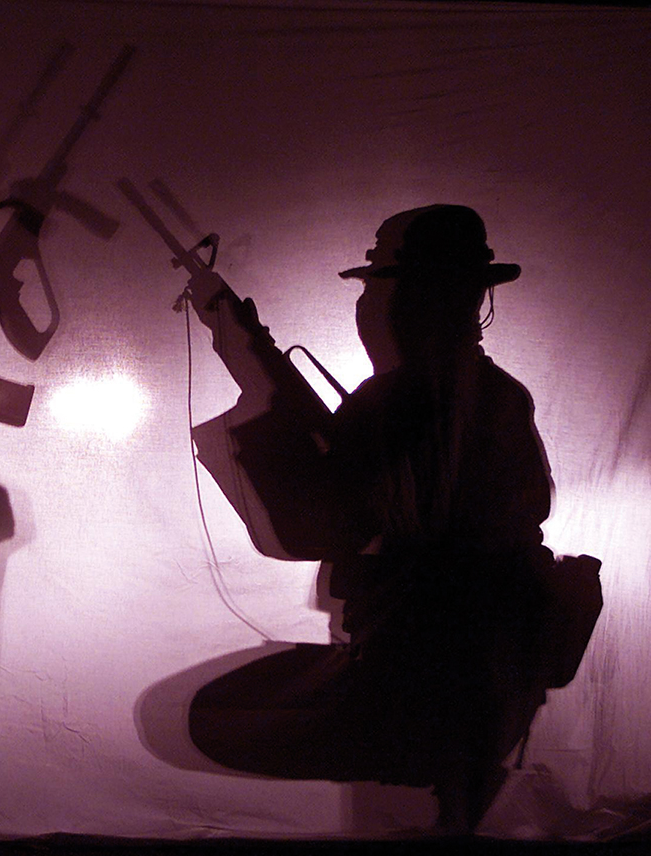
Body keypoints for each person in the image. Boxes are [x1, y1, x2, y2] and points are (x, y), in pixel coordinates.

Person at [187, 205, 559, 832]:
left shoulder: (398, 401)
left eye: (382, 291)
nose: (368, 309)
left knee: (217, 717)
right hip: (483, 666)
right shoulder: (499, 393)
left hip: (415, 671)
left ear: (416, 301)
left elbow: (320, 525)